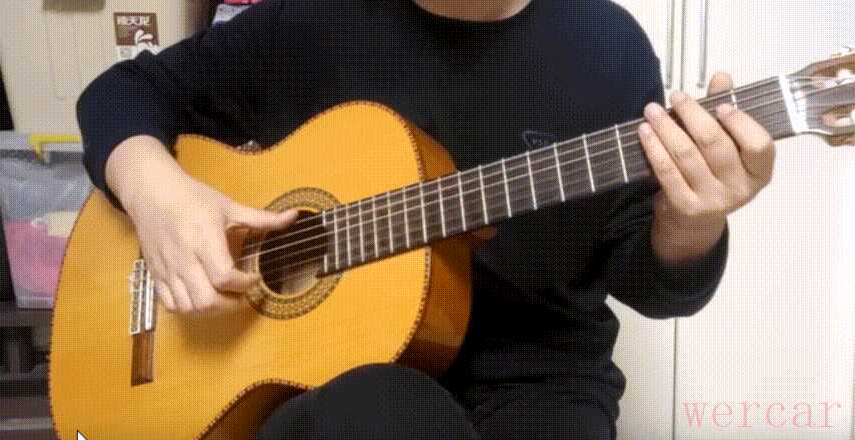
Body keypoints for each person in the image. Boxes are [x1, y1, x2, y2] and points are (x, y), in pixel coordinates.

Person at [76, 0, 776, 438]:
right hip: (335, 389)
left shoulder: (606, 45)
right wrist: (157, 195)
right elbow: (121, 94)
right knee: (377, 411)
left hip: (539, 385)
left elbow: (653, 285)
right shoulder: (312, 23)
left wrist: (693, 220)